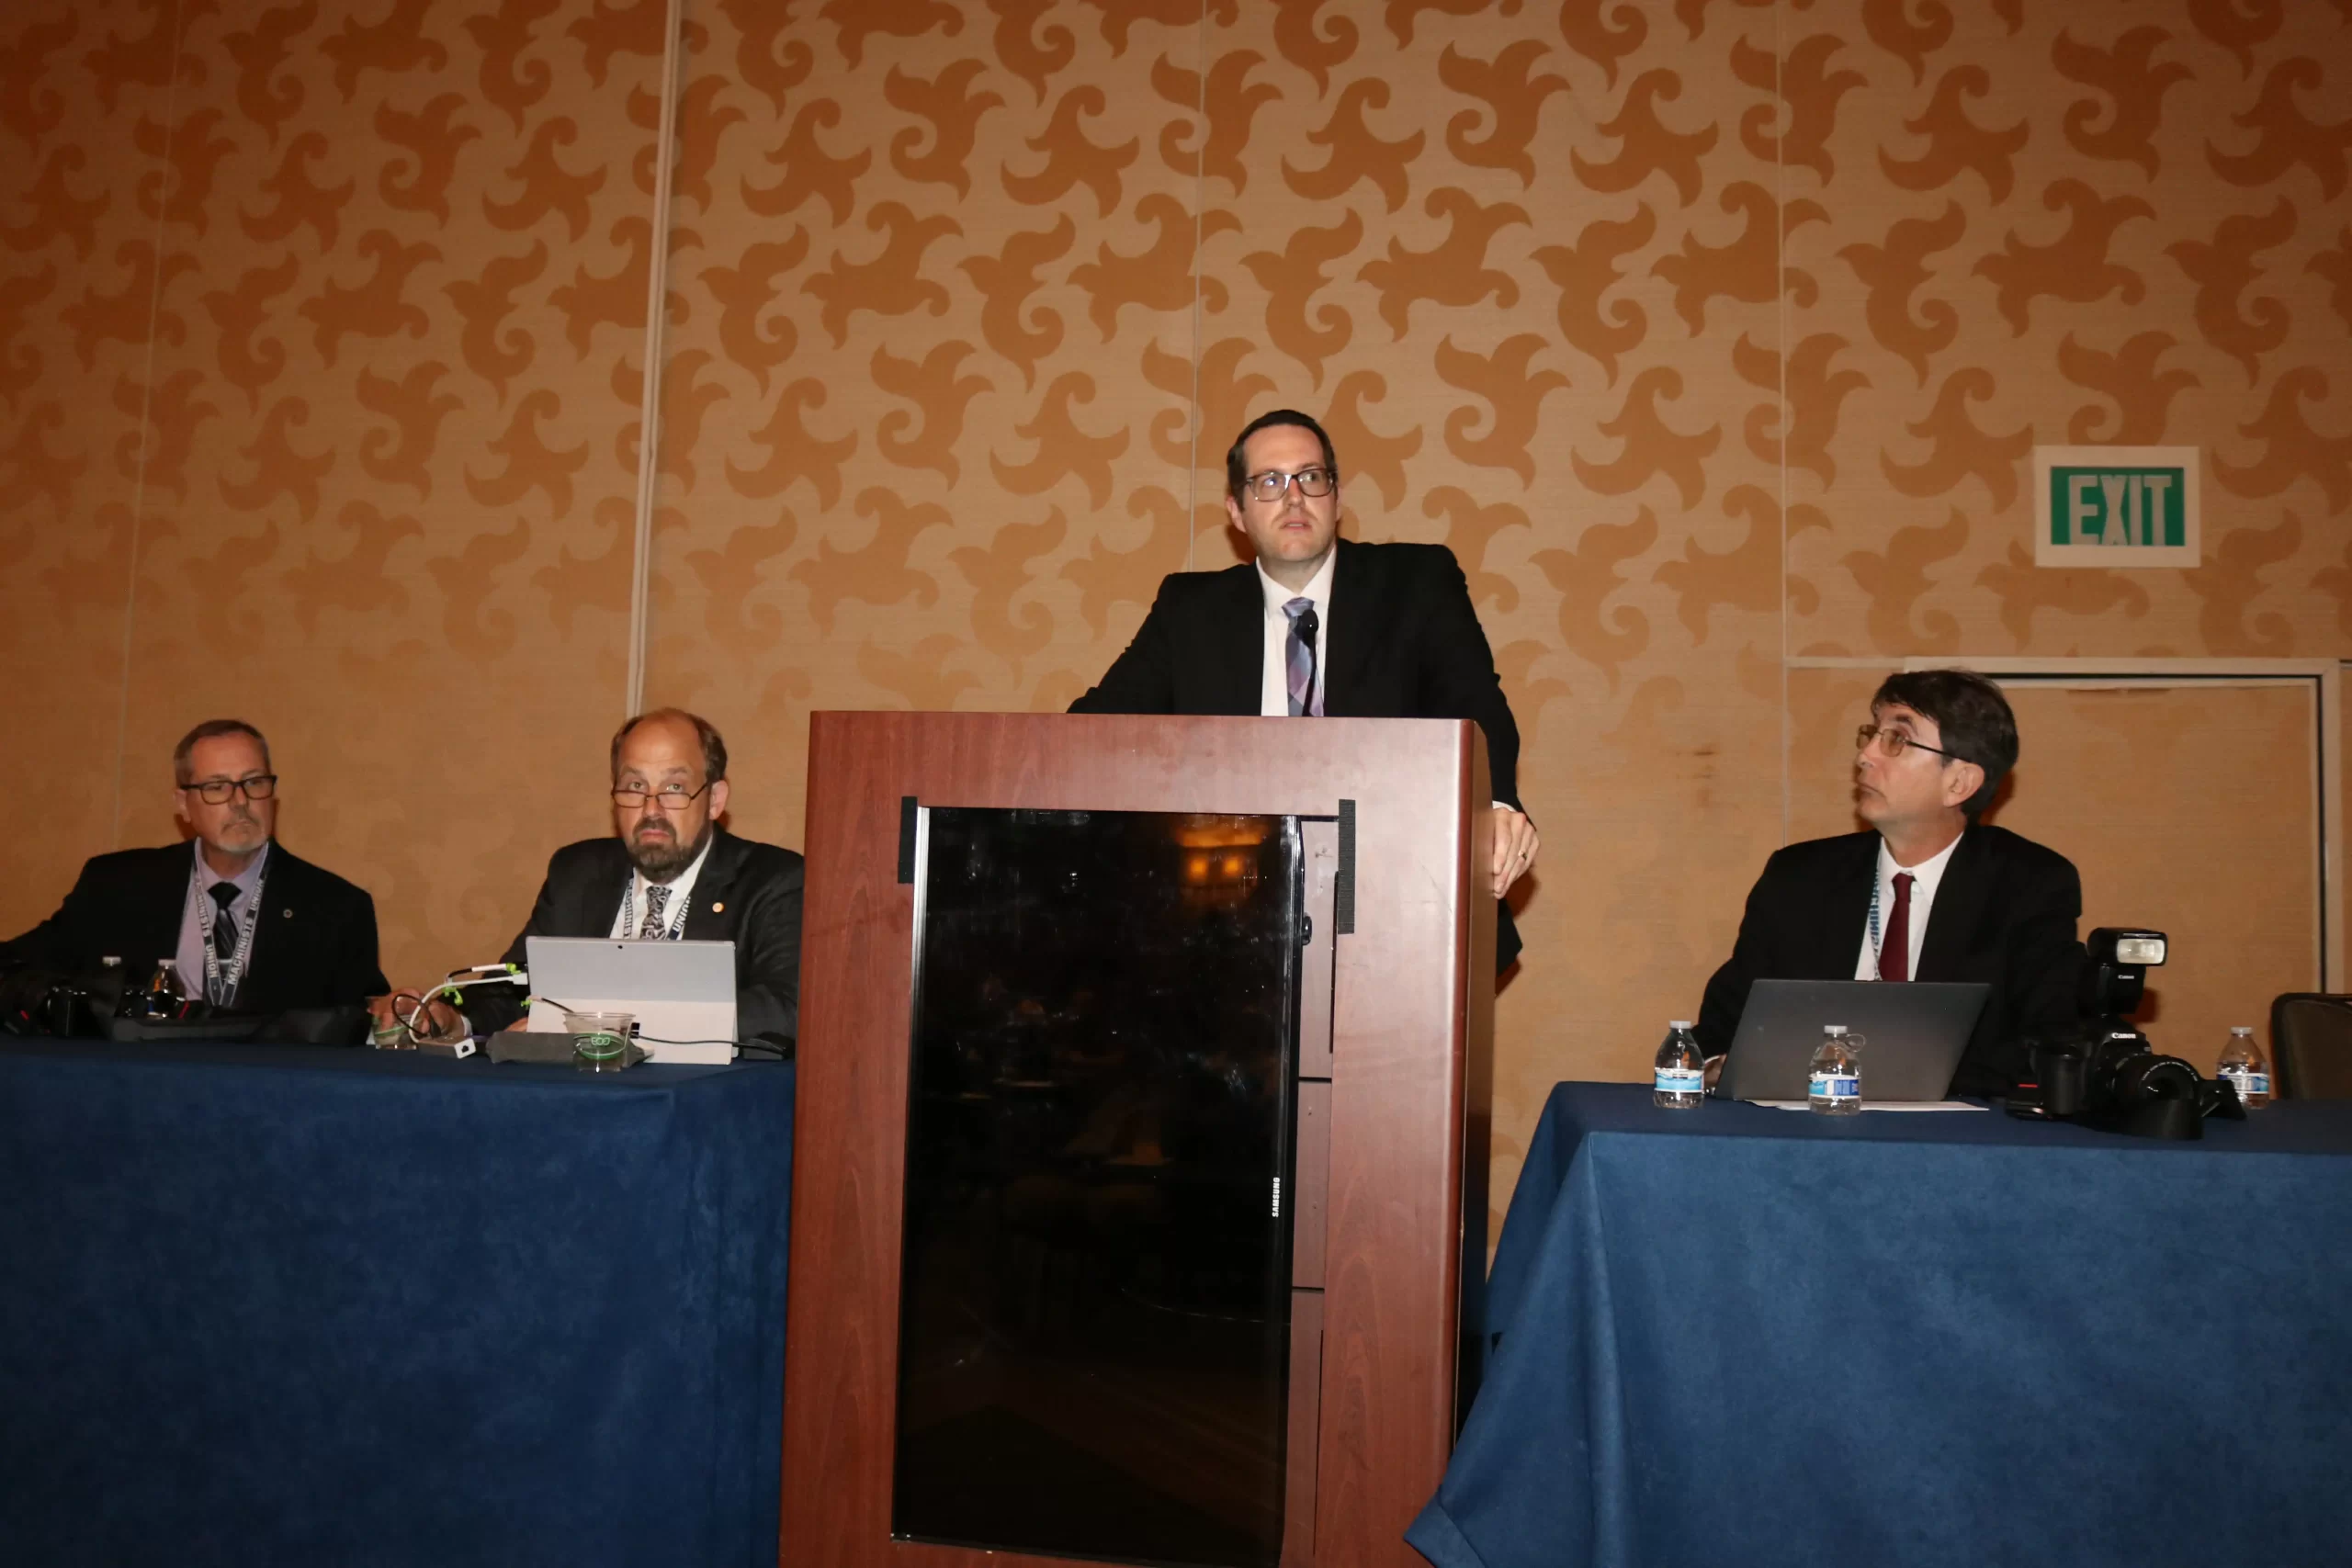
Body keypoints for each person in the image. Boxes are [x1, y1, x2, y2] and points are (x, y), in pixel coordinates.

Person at [1069, 408, 1538, 969]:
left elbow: (1476, 704)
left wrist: (1496, 807)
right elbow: (1093, 731)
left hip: (1399, 905)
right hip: (1226, 919)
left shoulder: (1416, 583)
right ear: (1237, 511)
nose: (1294, 497)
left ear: (1337, 499)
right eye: (1269, 482)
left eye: (1311, 477)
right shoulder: (1189, 611)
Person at [1695, 669, 2086, 1097]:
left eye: (1897, 740)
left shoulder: (2028, 885)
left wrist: (1883, 1077)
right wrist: (1718, 1067)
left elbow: (2047, 1043)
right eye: (1871, 734)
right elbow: (1721, 1026)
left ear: (1959, 782)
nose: (1865, 755)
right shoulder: (1800, 877)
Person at [377, 709, 803, 1049]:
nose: (651, 809)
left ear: (714, 800)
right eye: (634, 786)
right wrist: (450, 1018)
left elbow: (786, 1009)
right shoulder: (579, 873)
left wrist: (600, 1022)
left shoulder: (772, 880)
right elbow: (516, 989)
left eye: (674, 787)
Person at [2, 719, 387, 1011]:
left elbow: (363, 1017)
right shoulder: (117, 887)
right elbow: (20, 962)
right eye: (217, 787)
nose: (240, 802)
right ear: (183, 805)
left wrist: (393, 1013)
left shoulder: (335, 908)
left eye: (254, 783)